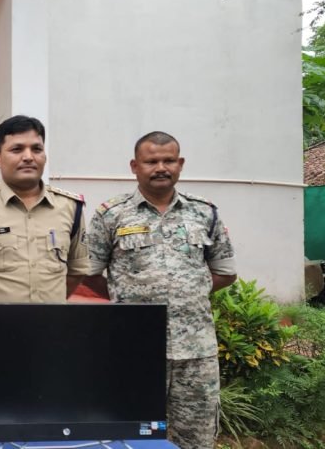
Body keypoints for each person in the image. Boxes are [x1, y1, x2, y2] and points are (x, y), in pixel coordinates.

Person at [86, 131, 237, 449]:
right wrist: (124, 296)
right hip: (132, 349)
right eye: (151, 161)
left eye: (168, 160)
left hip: (195, 352)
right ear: (134, 166)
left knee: (195, 439)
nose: (160, 168)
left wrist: (189, 290)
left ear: (180, 164)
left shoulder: (204, 212)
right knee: (129, 436)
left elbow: (225, 272)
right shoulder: (111, 214)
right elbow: (90, 274)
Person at [0, 115, 90, 303]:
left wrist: (51, 308)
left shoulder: (70, 207)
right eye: (17, 149)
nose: (28, 157)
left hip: (51, 321)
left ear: (45, 156)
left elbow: (78, 270)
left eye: (36, 149)